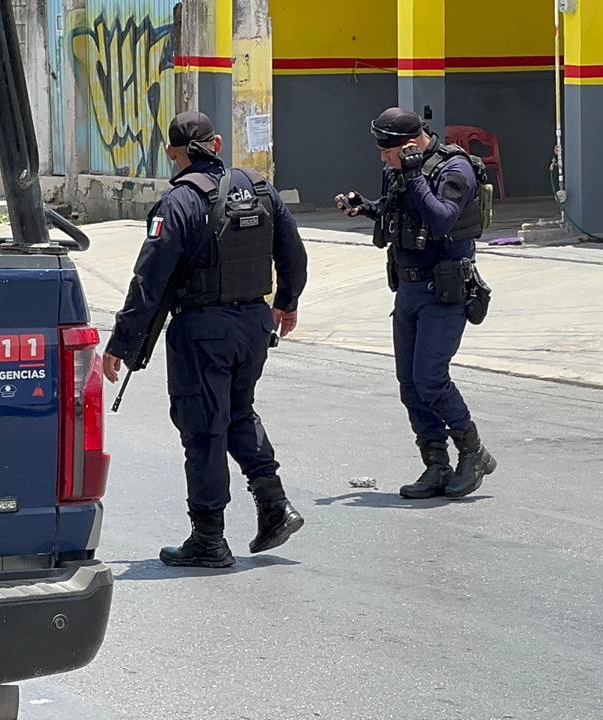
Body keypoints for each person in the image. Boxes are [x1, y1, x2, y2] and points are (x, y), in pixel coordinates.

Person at [103, 111, 308, 568]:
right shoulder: (258, 188)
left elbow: (148, 282)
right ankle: (274, 505)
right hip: (254, 323)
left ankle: (209, 539)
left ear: (174, 154)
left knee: (203, 430)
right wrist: (287, 303)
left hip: (203, 330)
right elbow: (293, 253)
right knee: (238, 413)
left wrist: (120, 343)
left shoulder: (178, 203)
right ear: (217, 144)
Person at [334, 108, 496, 500]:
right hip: (407, 290)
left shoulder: (455, 169)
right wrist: (365, 206)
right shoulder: (398, 170)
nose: (383, 159)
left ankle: (473, 452)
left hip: (444, 291)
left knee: (430, 377)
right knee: (409, 383)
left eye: (388, 152)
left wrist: (412, 175)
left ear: (409, 145)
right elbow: (398, 211)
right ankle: (435, 463)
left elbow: (441, 219)